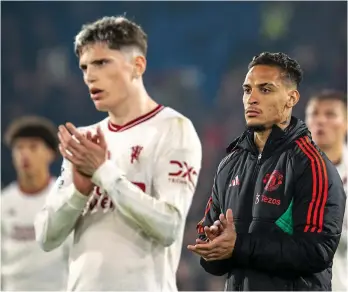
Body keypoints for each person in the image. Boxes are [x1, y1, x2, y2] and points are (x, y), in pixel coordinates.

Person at [34, 16, 202, 291]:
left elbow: (169, 226)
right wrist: (78, 191)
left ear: (138, 65)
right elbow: (46, 237)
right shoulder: (84, 141)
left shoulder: (173, 129)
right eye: (84, 67)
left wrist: (103, 172)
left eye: (101, 63)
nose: (89, 76)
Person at [188, 52, 346, 291]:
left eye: (265, 89)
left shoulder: (312, 165)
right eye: (247, 89)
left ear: (291, 98)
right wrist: (213, 247)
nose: (252, 98)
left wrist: (238, 246)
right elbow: (210, 252)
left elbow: (316, 251)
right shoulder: (229, 164)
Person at [1, 115, 69, 291]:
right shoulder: (4, 203)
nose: (25, 154)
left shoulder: (65, 198)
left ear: (51, 153)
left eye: (33, 147)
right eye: (19, 148)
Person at [305, 90, 347, 291]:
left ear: (346, 123)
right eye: (314, 114)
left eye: (330, 114)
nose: (320, 120)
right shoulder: (285, 171)